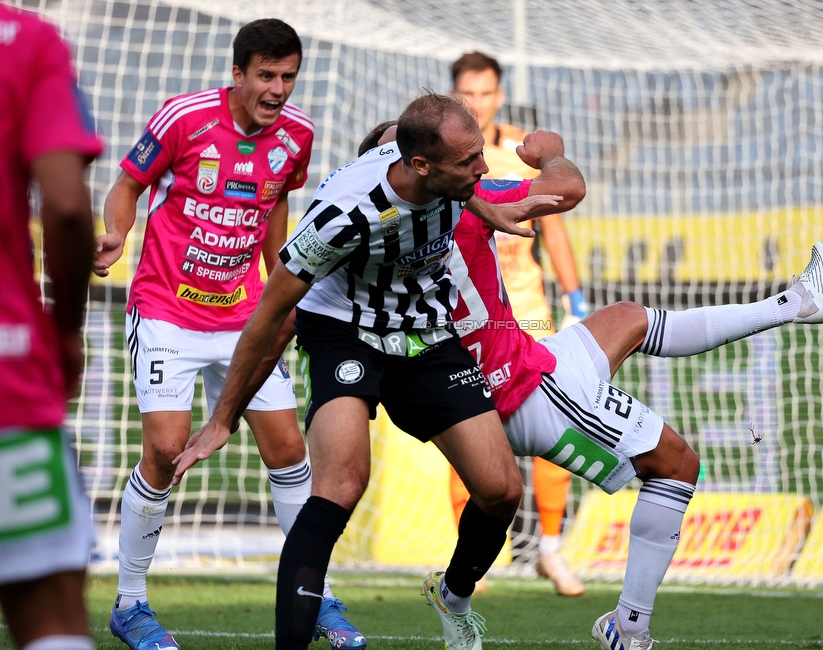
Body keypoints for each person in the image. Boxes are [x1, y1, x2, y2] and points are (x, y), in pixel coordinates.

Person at [364, 122, 823, 649]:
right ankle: (629, 628)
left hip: (503, 368)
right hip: (523, 390)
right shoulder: (462, 203)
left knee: (628, 318)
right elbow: (567, 188)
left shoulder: (372, 224)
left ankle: (797, 304)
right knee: (676, 466)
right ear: (411, 166)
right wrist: (551, 155)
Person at [171, 92, 578, 650]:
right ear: (418, 164)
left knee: (501, 491)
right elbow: (270, 315)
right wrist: (224, 417)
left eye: (480, 155)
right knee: (340, 485)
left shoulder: (451, 176)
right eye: (469, 163)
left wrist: (539, 162)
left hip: (426, 332)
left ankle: (453, 596)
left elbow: (557, 189)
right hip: (346, 332)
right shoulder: (343, 216)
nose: (483, 169)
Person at [92, 19, 363, 650]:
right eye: (265, 76)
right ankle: (130, 603)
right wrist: (117, 231)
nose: (277, 90)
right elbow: (128, 184)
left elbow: (274, 204)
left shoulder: (297, 136)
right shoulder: (183, 118)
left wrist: (280, 280)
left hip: (246, 316)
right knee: (166, 451)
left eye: (287, 77)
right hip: (166, 308)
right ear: (237, 73)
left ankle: (314, 592)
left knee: (289, 452)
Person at [450, 51, 587, 596]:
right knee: (463, 428)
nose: (476, 103)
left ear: (499, 96)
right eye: (467, 93)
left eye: (485, 93)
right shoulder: (442, 154)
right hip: (464, 317)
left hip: (526, 310)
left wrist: (574, 299)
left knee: (558, 420)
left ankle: (550, 550)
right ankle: (473, 556)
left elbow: (552, 224)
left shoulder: (516, 151)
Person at [0, 5, 103, 649]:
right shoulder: (27, 40)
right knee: (53, 624)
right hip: (8, 375)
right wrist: (65, 331)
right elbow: (66, 206)